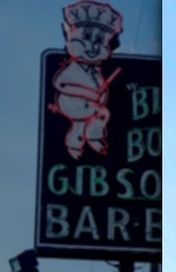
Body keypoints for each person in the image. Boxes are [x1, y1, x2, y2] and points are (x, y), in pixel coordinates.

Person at [50, 0, 122, 160]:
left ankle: (73, 146)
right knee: (102, 113)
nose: (94, 47)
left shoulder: (95, 71)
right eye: (88, 37)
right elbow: (60, 83)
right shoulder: (72, 68)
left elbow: (101, 89)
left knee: (79, 124)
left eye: (99, 41)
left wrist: (100, 96)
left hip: (86, 104)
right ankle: (93, 137)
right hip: (70, 102)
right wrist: (91, 94)